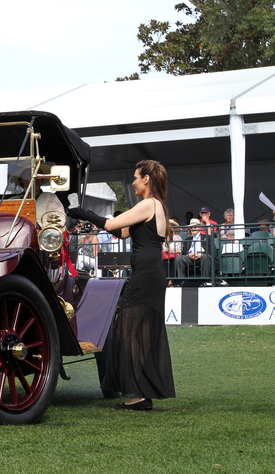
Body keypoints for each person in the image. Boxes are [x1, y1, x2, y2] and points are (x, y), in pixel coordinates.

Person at [69, 159, 175, 410]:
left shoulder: (148, 204)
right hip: (149, 273)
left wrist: (80, 211)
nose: (133, 182)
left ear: (146, 179)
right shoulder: (155, 205)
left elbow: (111, 225)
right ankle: (142, 393)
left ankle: (141, 394)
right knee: (139, 333)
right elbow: (123, 232)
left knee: (131, 330)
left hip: (146, 275)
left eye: (136, 177)